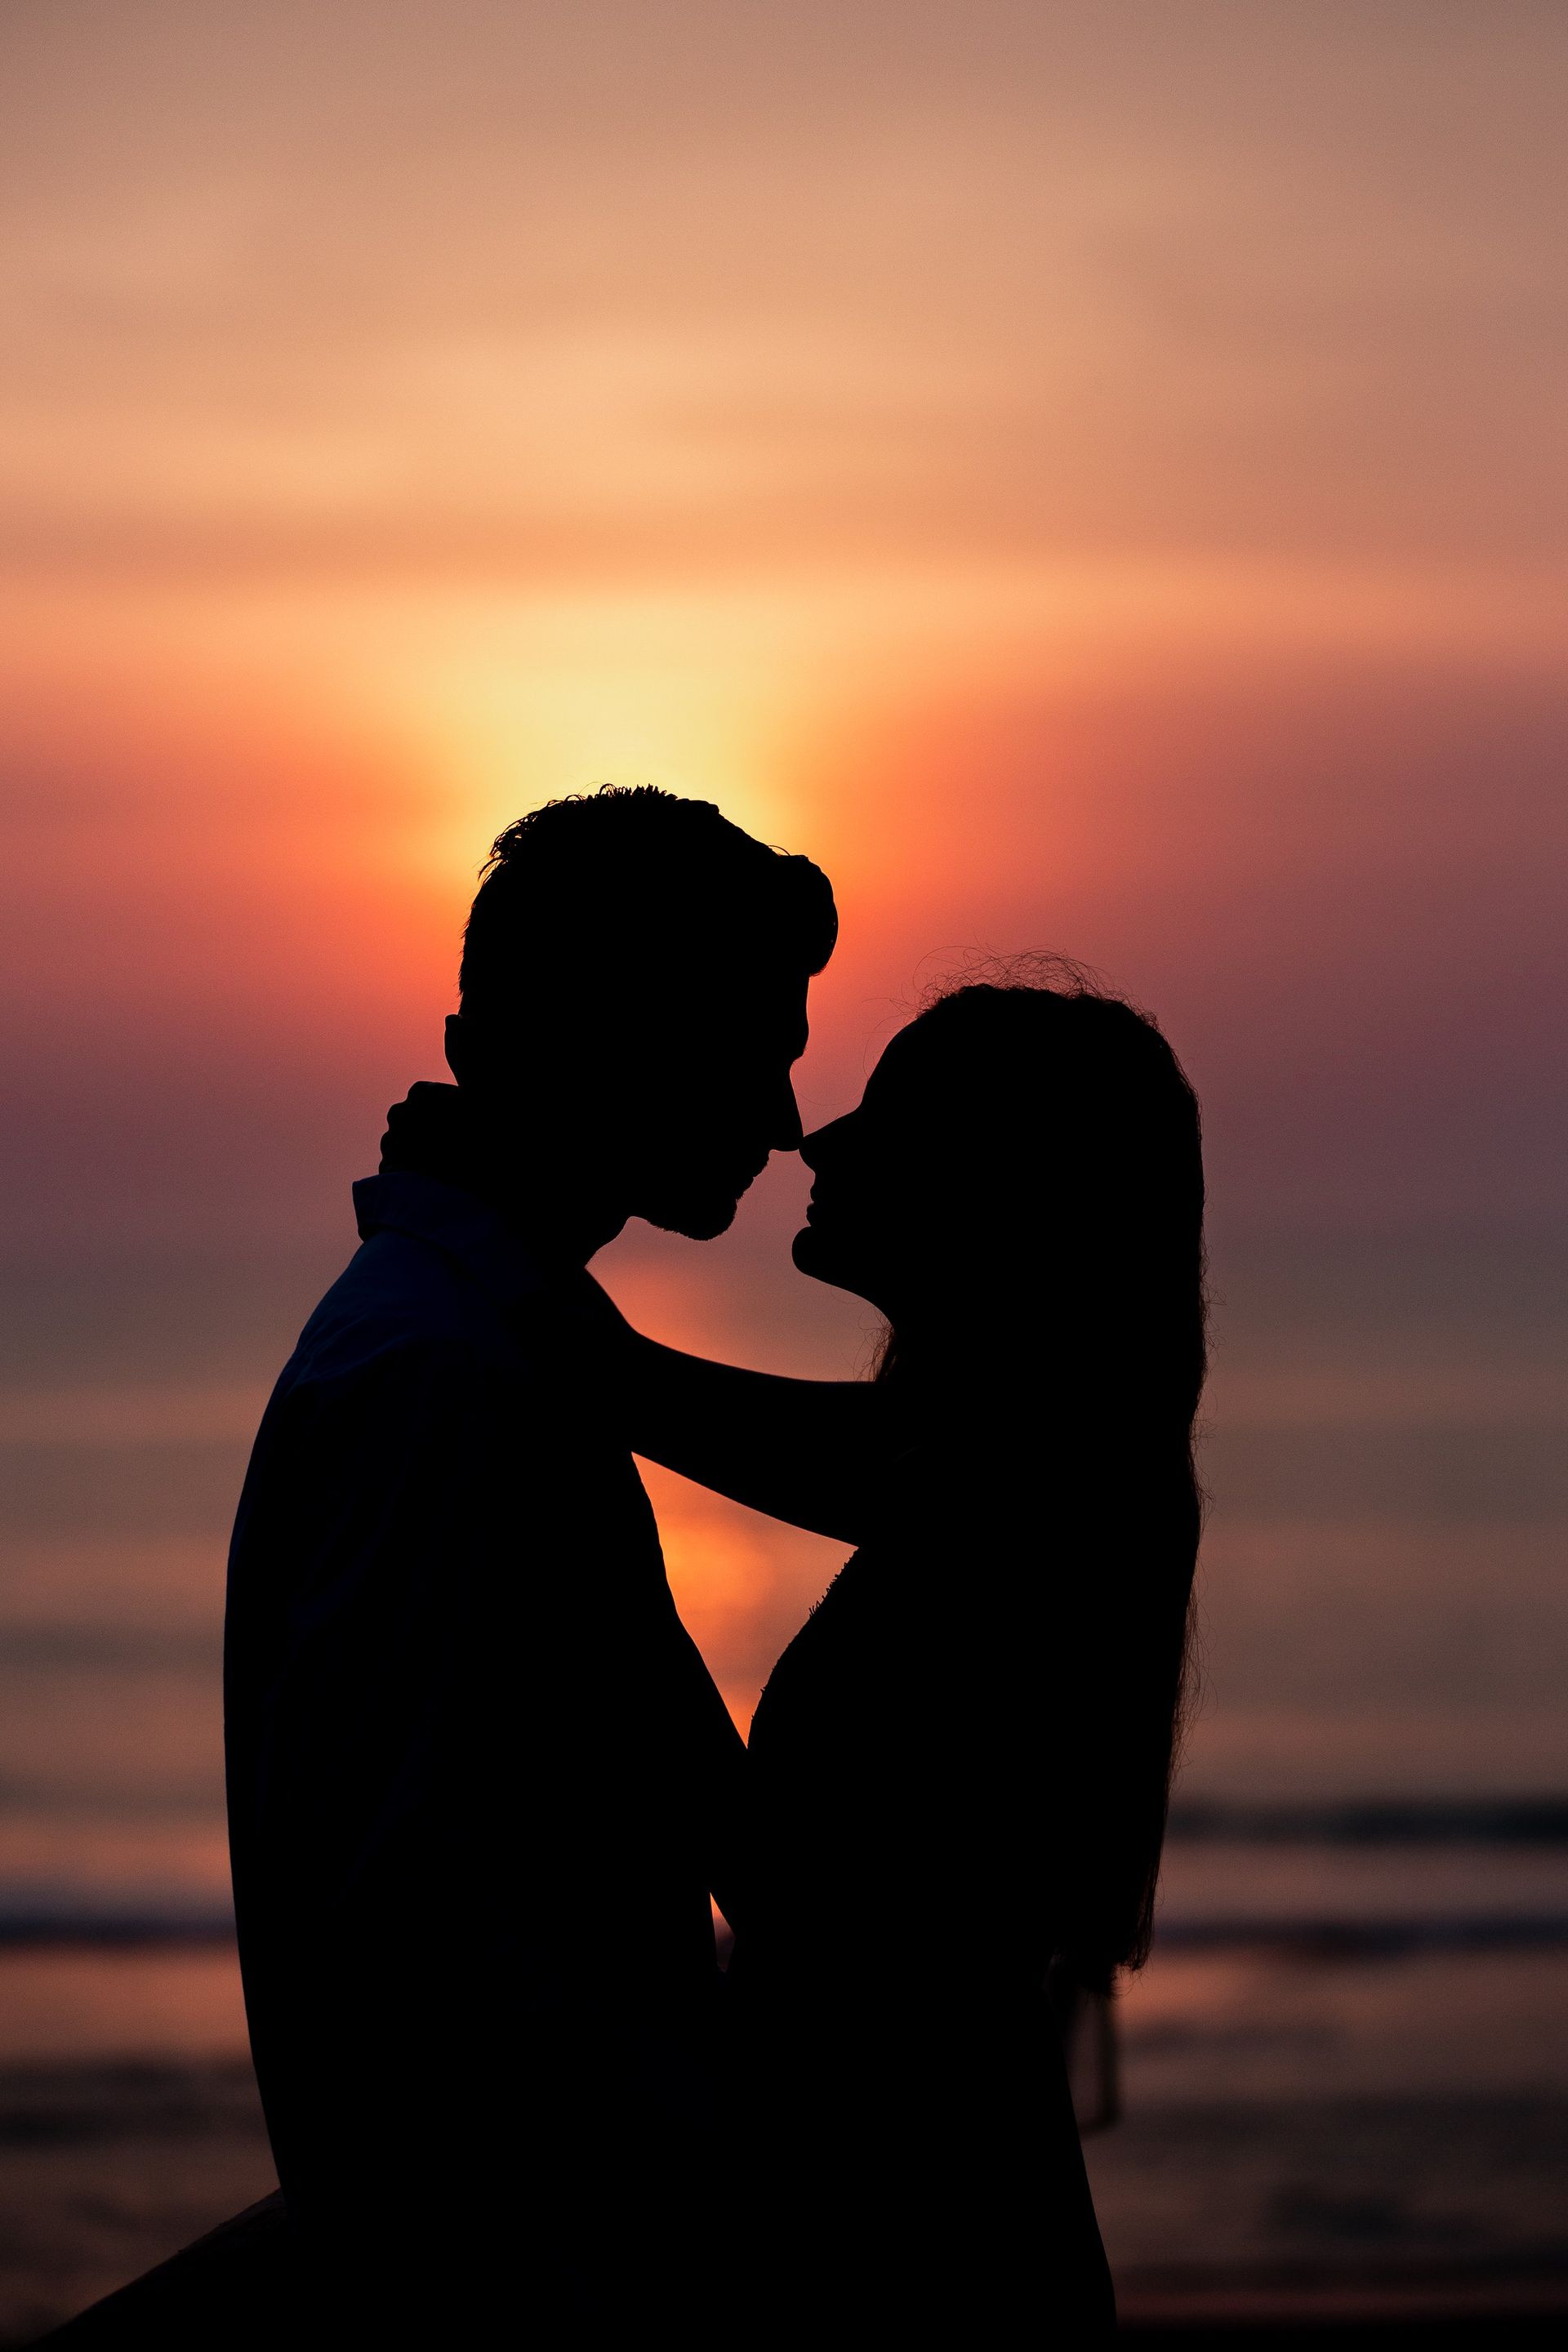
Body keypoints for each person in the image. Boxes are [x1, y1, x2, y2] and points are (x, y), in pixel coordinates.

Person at [222, 787, 836, 2334]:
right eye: (757, 1046)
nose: (781, 1117)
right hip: (532, 2311)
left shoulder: (495, 1342)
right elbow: (402, 1915)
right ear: (626, 1035)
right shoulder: (447, 1369)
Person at [554, 970, 1208, 2335]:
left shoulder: (1034, 1502)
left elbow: (802, 1900)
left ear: (999, 1193)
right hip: (942, 2205)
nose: (818, 1140)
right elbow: (653, 1396)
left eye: (887, 1116)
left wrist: (619, 1630)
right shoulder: (1029, 1478)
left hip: (905, 2233)